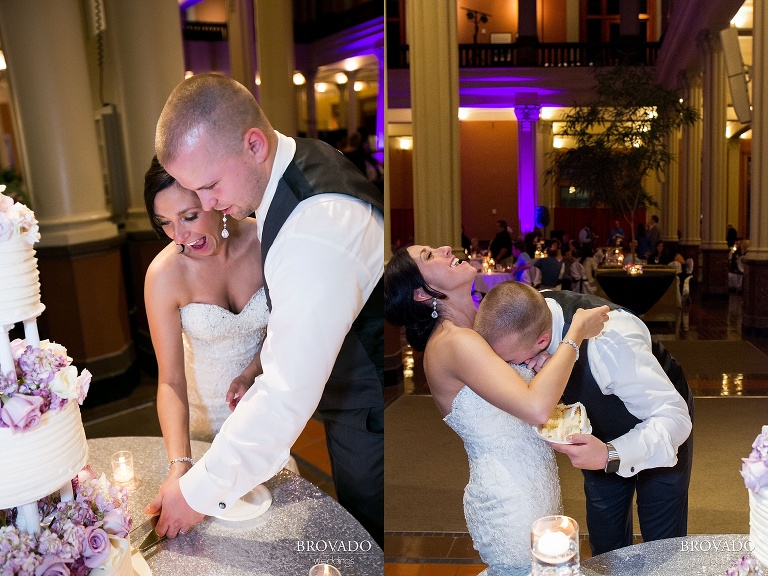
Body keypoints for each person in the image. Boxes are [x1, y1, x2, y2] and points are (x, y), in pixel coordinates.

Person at [149, 73, 384, 546]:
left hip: (374, 418)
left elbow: (285, 393)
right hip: (327, 411)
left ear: (254, 144)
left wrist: (196, 494)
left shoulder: (314, 227)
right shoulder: (299, 166)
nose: (208, 203)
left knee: (374, 540)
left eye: (210, 187)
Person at [383, 245, 609, 575]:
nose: (445, 248)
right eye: (430, 256)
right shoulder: (453, 341)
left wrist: (537, 363)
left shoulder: (477, 334)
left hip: (532, 485)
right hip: (510, 500)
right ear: (420, 293)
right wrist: (575, 335)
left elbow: (520, 402)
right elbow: (535, 408)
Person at [475, 282, 693, 556]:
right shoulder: (529, 310)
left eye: (512, 361)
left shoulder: (611, 342)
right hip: (597, 431)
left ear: (542, 341)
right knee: (606, 543)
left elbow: (673, 417)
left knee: (663, 543)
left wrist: (611, 455)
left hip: (660, 426)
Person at [142, 157, 302, 497]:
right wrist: (179, 463)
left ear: (213, 200)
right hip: (200, 421)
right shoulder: (164, 276)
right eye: (166, 223)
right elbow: (170, 381)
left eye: (189, 216)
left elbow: (289, 327)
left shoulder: (266, 241)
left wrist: (251, 372)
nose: (180, 235)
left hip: (264, 408)